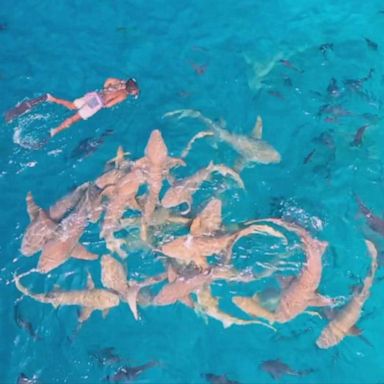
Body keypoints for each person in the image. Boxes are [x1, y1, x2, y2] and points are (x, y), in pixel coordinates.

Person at [48, 78, 139, 137]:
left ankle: (52, 99)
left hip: (94, 95)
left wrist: (106, 90)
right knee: (74, 119)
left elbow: (108, 81)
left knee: (72, 106)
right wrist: (105, 104)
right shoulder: (123, 95)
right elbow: (108, 105)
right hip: (97, 103)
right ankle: (55, 130)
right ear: (130, 90)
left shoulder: (118, 81)